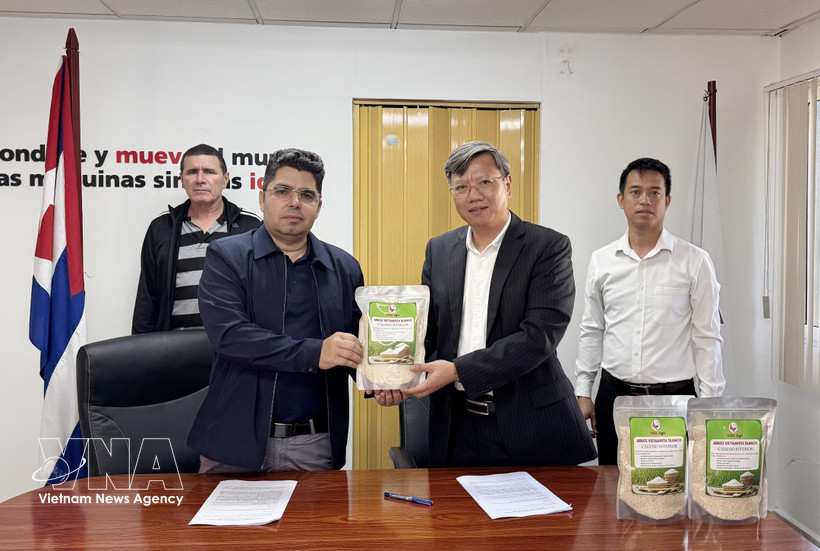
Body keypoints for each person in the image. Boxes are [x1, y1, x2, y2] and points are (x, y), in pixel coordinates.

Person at [374, 141, 597, 468]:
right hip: (456, 427)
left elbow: (539, 338)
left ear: (507, 183)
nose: (473, 195)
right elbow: (427, 333)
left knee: (537, 520)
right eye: (461, 187)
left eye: (484, 182)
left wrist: (457, 370)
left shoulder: (547, 247)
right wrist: (390, 377)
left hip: (530, 425)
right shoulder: (440, 250)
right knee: (456, 520)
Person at [188, 148, 364, 473]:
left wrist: (384, 380)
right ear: (262, 197)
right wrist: (315, 352)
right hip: (232, 440)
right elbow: (231, 336)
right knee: (225, 526)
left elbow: (356, 347)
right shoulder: (227, 257)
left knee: (316, 526)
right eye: (282, 191)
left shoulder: (343, 268)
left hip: (313, 443)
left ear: (318, 206)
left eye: (306, 195)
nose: (295, 202)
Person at [575, 157, 725, 465]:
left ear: (667, 200)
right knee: (611, 492)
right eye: (636, 191)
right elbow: (592, 328)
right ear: (621, 199)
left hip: (674, 402)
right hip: (613, 396)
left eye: (655, 192)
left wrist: (708, 407)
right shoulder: (602, 260)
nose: (645, 199)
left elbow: (707, 337)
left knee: (668, 497)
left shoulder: (694, 261)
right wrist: (583, 392)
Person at [132, 143, 261, 333]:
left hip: (235, 349)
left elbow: (265, 296)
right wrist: (142, 353)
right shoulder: (161, 228)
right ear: (182, 180)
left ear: (225, 180)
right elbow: (147, 299)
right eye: (192, 172)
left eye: (209, 171)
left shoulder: (251, 228)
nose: (200, 179)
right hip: (174, 351)